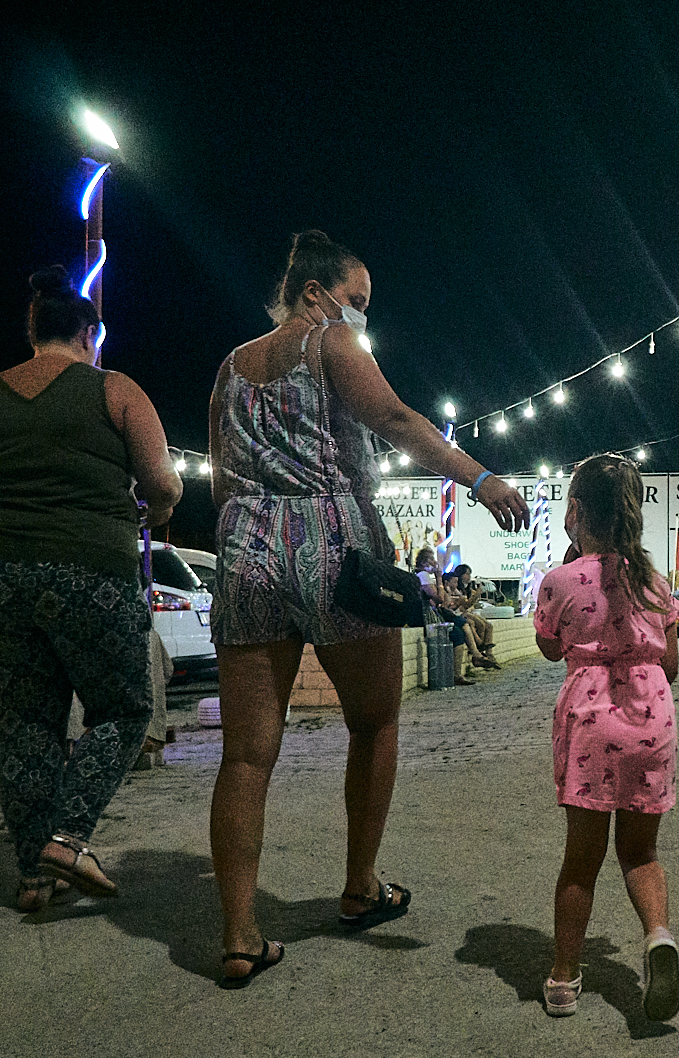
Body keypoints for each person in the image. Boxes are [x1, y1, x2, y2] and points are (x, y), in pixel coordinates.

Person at [209, 230, 529, 986]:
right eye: (355, 301)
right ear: (315, 294)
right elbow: (396, 420)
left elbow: (222, 475)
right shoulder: (330, 345)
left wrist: (247, 543)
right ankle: (359, 884)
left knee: (246, 753)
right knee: (375, 719)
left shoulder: (228, 368)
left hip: (246, 543)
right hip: (332, 545)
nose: (359, 316)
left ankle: (238, 932)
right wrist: (481, 479)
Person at [0, 266, 182, 912]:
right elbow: (164, 486)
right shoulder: (115, 390)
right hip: (89, 566)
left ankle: (33, 875)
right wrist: (145, 515)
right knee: (126, 706)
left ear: (34, 330)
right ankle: (68, 837)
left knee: (25, 723)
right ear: (88, 334)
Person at [533, 454, 679, 1022]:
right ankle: (658, 936)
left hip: (593, 727)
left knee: (582, 859)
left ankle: (565, 978)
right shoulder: (654, 583)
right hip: (652, 720)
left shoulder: (560, 581)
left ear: (576, 512)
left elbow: (551, 648)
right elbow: (670, 664)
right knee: (640, 852)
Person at [412, 549, 478, 684]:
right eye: (432, 560)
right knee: (457, 634)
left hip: (429, 615)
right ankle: (457, 674)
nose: (435, 563)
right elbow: (440, 598)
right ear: (425, 562)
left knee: (460, 628)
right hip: (427, 617)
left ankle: (469, 661)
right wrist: (439, 578)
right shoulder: (423, 575)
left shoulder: (422, 575)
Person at [443, 564, 500, 669]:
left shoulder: (463, 589)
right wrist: (477, 595)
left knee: (488, 625)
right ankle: (480, 651)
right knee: (476, 623)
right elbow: (464, 605)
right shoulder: (450, 591)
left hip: (464, 613)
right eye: (467, 574)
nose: (469, 576)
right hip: (460, 614)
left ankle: (488, 653)